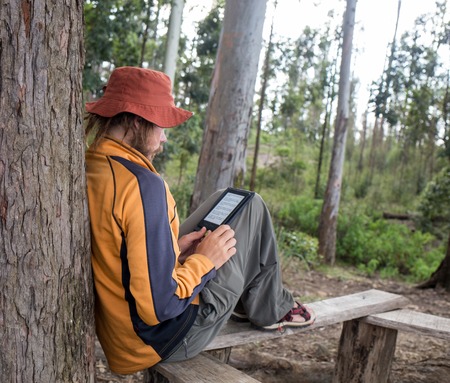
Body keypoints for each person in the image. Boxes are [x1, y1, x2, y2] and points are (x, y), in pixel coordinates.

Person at [84, 66, 315, 375]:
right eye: (161, 126)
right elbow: (160, 307)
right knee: (252, 206)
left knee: (230, 199)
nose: (164, 138)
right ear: (137, 121)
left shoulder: (92, 164)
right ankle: (271, 308)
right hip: (166, 337)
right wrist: (204, 261)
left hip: (121, 333)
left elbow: (118, 248)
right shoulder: (143, 187)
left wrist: (174, 251)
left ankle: (258, 303)